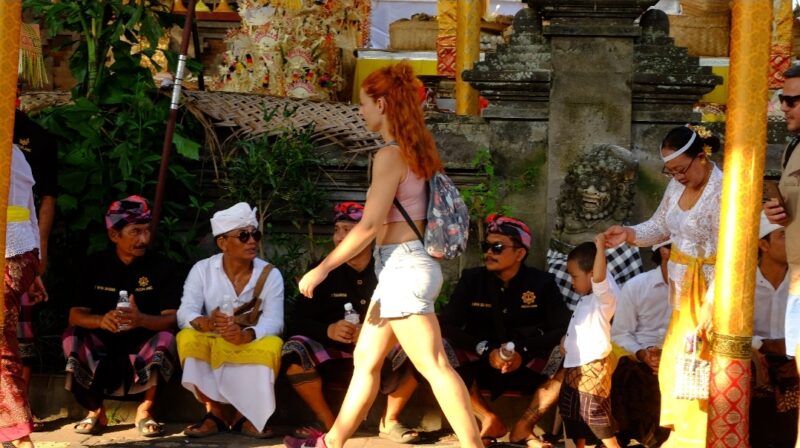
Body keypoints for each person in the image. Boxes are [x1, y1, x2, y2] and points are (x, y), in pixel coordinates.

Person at [295, 62, 483, 448]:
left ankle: (473, 446)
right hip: (403, 268)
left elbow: (367, 227)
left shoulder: (390, 155)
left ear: (381, 104)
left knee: (434, 365)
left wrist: (322, 268)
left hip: (404, 268)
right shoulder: (417, 150)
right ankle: (331, 442)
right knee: (366, 361)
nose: (360, 111)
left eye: (363, 103)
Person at [604, 124, 722, 447]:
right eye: (670, 172)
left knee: (699, 361)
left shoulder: (722, 191)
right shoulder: (675, 186)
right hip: (682, 290)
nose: (677, 177)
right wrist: (628, 234)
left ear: (702, 157)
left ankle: (698, 434)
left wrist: (712, 306)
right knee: (675, 363)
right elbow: (659, 225)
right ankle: (682, 430)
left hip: (709, 291)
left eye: (681, 170)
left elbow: (726, 255)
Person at [282, 201, 420, 444]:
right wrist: (329, 330)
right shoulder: (321, 271)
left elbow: (410, 317)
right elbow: (297, 321)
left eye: (348, 230)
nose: (339, 237)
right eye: (337, 230)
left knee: (422, 349)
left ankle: (390, 420)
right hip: (333, 350)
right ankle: (328, 421)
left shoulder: (388, 270)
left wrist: (370, 333)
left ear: (368, 234)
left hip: (380, 350)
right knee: (294, 351)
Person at [439, 213, 571, 447]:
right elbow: (447, 324)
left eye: (497, 247)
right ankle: (488, 419)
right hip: (479, 365)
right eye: (486, 246)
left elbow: (563, 327)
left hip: (527, 366)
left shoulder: (542, 283)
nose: (488, 252)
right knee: (437, 349)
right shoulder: (472, 280)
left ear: (520, 253)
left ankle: (524, 427)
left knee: (573, 355)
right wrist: (484, 349)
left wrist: (524, 350)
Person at [62, 195, 180, 437]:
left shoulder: (162, 267)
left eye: (147, 231)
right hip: (103, 345)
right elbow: (75, 315)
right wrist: (100, 320)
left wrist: (142, 320)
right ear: (114, 235)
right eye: (135, 232)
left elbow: (173, 317)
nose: (144, 239)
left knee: (169, 337)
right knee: (72, 336)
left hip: (143, 344)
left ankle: (145, 410)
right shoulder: (94, 265)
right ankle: (96, 411)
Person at [176, 202, 284, 439]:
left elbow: (275, 321)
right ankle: (215, 414)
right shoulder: (202, 270)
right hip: (215, 336)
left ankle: (248, 417)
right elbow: (185, 312)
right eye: (243, 236)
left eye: (255, 234)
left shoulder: (270, 274)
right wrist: (204, 322)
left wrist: (248, 334)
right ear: (222, 243)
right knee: (187, 337)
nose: (252, 241)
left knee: (272, 344)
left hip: (248, 339)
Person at [1, 145, 46, 448]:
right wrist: (34, 268)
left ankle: (19, 435)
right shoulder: (14, 148)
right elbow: (28, 207)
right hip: (22, 255)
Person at [765, 63, 800, 448]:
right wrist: (776, 211)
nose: (784, 106)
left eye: (792, 99)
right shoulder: (794, 147)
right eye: (782, 98)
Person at [559, 236, 621, 448]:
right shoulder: (586, 298)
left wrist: (600, 247)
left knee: (592, 411)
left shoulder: (604, 297)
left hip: (594, 364)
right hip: (575, 364)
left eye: (574, 276)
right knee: (570, 409)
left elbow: (600, 278)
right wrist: (565, 340)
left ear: (592, 273)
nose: (571, 281)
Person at [14, 109, 58, 401]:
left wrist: (38, 252)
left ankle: (20, 405)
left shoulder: (38, 140)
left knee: (20, 332)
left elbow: (43, 199)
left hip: (17, 246)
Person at [610, 241, 671, 447]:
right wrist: (643, 354)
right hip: (640, 357)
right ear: (664, 252)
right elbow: (620, 333)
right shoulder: (637, 286)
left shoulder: (701, 287)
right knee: (630, 376)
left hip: (682, 359)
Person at [749, 212, 797, 447]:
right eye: (783, 235)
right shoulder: (741, 281)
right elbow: (723, 325)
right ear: (763, 245)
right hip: (754, 365)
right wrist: (762, 346)